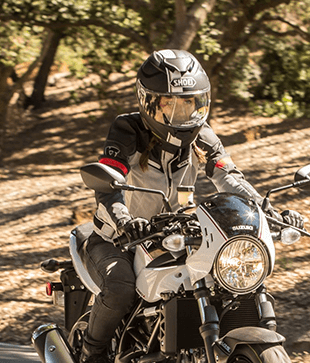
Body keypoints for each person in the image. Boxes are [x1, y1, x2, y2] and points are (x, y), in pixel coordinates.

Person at [79, 49, 304, 363]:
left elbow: (230, 179)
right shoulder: (127, 130)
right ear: (149, 103)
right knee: (120, 286)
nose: (181, 113)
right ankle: (92, 353)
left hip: (175, 233)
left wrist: (270, 213)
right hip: (117, 238)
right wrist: (125, 220)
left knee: (227, 279)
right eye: (170, 104)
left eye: (189, 103)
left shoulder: (203, 136)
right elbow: (109, 180)